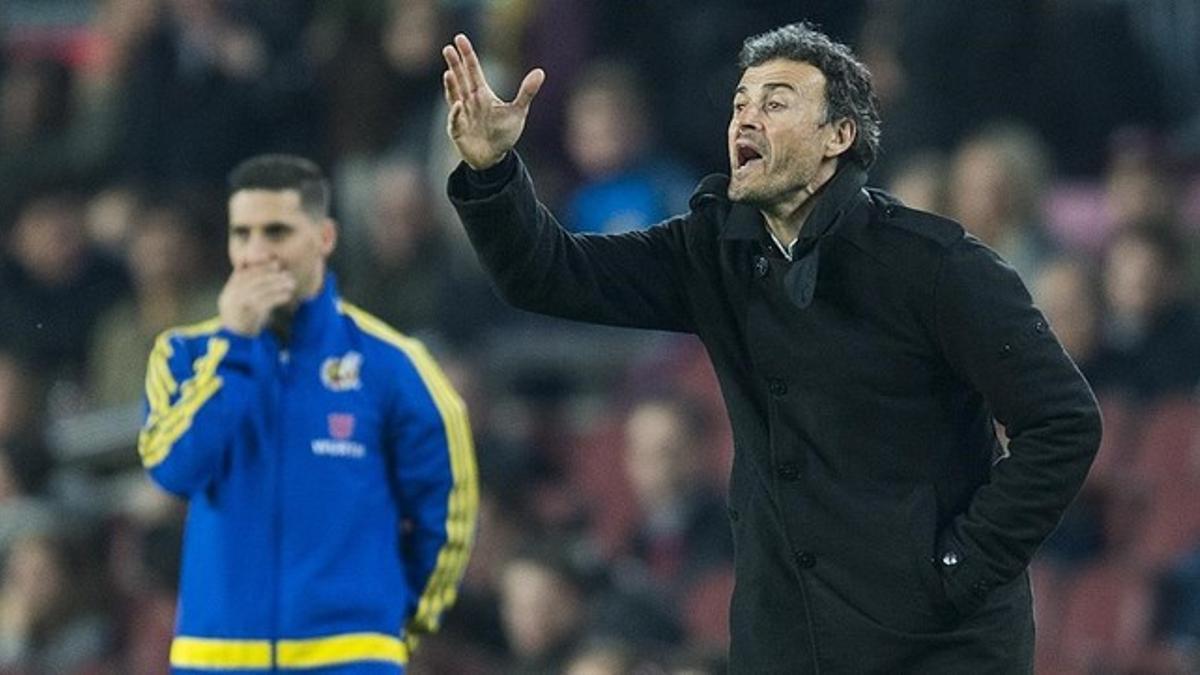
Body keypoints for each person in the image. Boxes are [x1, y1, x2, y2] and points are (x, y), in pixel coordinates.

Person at [441, 22, 1101, 673]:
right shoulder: (711, 251)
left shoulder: (936, 265)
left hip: (935, 647)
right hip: (785, 641)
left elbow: (1063, 421)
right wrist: (491, 168)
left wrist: (959, 565)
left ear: (838, 136)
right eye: (739, 103)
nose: (745, 118)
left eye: (776, 102)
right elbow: (549, 274)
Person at [136, 154, 477, 674]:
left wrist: (393, 624)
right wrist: (235, 347)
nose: (255, 253)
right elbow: (174, 468)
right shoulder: (182, 355)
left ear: (324, 237)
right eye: (241, 234)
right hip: (214, 658)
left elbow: (446, 505)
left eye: (276, 232)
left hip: (351, 658)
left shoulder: (394, 365)